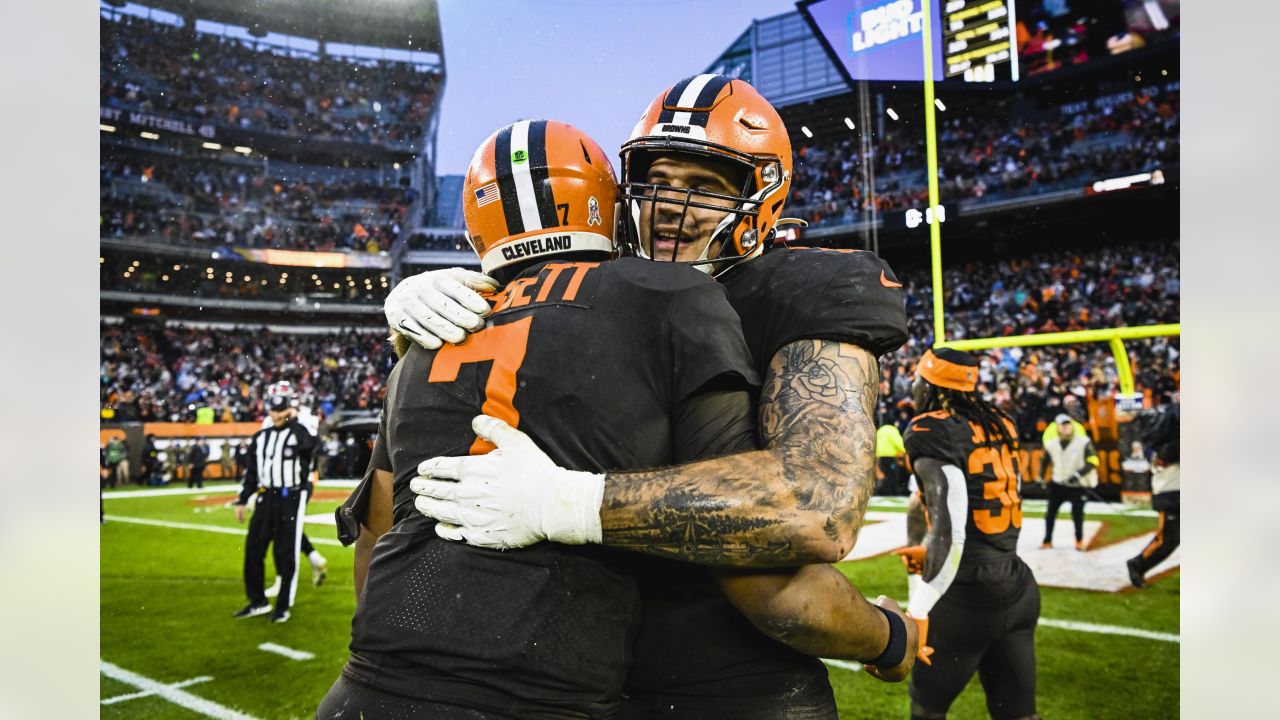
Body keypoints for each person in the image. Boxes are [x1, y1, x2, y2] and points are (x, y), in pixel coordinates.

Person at [324, 119, 913, 719]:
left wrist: (565, 502)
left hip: (728, 685)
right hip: (588, 681)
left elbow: (815, 507)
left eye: (704, 185)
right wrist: (414, 305)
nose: (670, 206)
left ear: (763, 195)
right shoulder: (638, 293)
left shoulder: (800, 286)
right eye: (656, 182)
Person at [896, 347, 1041, 720]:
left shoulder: (931, 429)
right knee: (1018, 714)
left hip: (966, 596)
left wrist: (921, 606)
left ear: (934, 387)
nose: (913, 385)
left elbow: (952, 531)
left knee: (927, 710)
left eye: (918, 379)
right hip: (1017, 584)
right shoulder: (999, 421)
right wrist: (924, 548)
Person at [232, 394, 317, 623]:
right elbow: (251, 473)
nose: (278, 415)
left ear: (289, 410)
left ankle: (283, 606)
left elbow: (310, 446)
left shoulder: (298, 434)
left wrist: (295, 421)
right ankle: (257, 601)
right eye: (274, 410)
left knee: (285, 552)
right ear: (268, 412)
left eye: (282, 410)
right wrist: (242, 500)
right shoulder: (260, 438)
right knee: (253, 551)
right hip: (265, 497)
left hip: (290, 497)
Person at [1126, 402, 1179, 588]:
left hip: (1175, 487)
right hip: (1171, 488)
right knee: (1168, 539)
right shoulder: (1161, 443)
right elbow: (1167, 454)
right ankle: (1138, 564)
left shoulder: (1160, 436)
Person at [1040, 413, 1098, 550]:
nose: (1065, 427)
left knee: (1077, 514)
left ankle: (1079, 540)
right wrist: (1040, 477)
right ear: (1057, 427)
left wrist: (1078, 474)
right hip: (1058, 483)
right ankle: (1047, 540)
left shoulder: (1084, 441)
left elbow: (1093, 461)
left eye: (1068, 424)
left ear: (1072, 425)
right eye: (1062, 425)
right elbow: (1044, 461)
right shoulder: (1051, 443)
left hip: (1077, 485)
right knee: (1050, 514)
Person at [877, 415, 909, 495]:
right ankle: (889, 492)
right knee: (892, 475)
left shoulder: (880, 430)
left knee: (884, 474)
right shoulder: (892, 430)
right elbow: (898, 442)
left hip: (880, 455)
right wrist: (905, 450)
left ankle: (882, 491)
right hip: (889, 455)